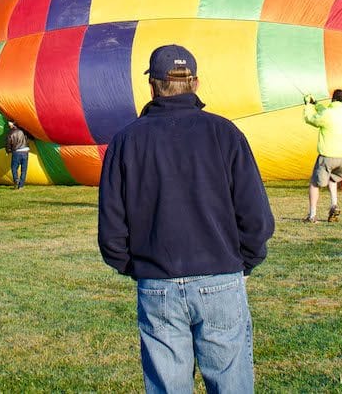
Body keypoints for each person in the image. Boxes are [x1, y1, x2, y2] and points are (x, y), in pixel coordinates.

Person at [98, 44, 275, 394]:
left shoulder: (126, 141)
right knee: (231, 385)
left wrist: (137, 268)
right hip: (221, 278)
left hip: (157, 284)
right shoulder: (225, 134)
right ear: (195, 83)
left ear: (153, 86)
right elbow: (256, 217)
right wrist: (243, 261)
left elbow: (112, 229)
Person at [302, 89, 342, 222]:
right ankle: (334, 205)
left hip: (328, 154)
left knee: (314, 183)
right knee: (333, 180)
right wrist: (317, 104)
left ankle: (312, 215)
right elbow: (326, 113)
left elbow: (311, 119)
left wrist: (308, 104)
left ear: (333, 99)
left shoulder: (328, 114)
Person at [3, 120, 31, 190]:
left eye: (9, 123)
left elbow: (8, 144)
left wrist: (8, 151)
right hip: (25, 151)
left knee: (14, 168)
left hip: (17, 152)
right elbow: (30, 137)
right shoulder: (23, 131)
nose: (8, 124)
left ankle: (16, 180)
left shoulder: (10, 133)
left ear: (12, 124)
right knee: (24, 170)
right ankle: (21, 186)